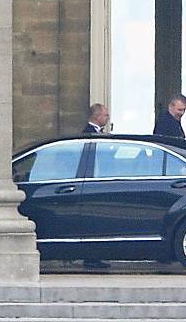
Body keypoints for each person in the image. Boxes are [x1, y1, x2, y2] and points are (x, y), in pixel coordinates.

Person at [81, 103, 111, 269]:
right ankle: (91, 258)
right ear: (97, 117)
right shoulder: (88, 134)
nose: (107, 118)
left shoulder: (94, 133)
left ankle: (94, 257)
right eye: (105, 115)